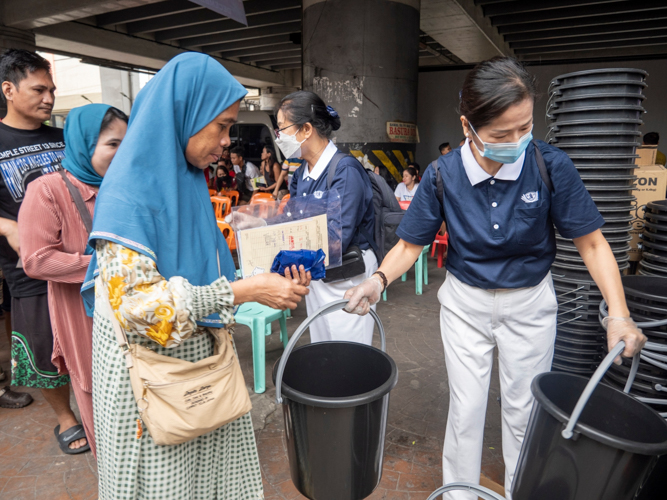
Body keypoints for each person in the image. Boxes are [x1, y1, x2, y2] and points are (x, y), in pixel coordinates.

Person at [343, 56, 647, 499]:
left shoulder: (549, 165)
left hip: (530, 305)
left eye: (525, 128)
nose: (517, 142)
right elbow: (410, 244)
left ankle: (518, 491)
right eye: (502, 134)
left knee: (525, 413)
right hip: (466, 306)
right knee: (466, 411)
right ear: (468, 127)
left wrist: (618, 313)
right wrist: (378, 280)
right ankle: (459, 494)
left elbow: (593, 244)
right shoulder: (442, 175)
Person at [80, 52, 311, 500]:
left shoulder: (185, 180)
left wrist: (266, 282)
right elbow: (143, 310)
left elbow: (204, 273)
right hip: (153, 386)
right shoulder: (127, 195)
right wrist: (245, 289)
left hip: (200, 372)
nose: (227, 140)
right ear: (183, 113)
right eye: (221, 125)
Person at [19, 104, 128, 457]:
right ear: (84, 144)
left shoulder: (126, 187)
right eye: (113, 144)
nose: (122, 153)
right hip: (85, 319)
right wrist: (105, 266)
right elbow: (36, 259)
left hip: (132, 311)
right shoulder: (48, 191)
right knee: (101, 398)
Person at [0, 49, 94, 452]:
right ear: (8, 89)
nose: (49, 98)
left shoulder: (63, 138)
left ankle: (95, 404)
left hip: (80, 260)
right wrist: (6, 225)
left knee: (86, 340)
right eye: (39, 89)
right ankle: (65, 416)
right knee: (44, 348)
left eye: (52, 89)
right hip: (30, 268)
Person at [276, 90, 377, 345]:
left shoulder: (345, 170)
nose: (279, 137)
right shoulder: (301, 174)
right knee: (323, 347)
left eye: (282, 128)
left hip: (347, 278)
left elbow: (337, 238)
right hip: (318, 274)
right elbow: (294, 223)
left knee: (348, 353)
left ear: (306, 129)